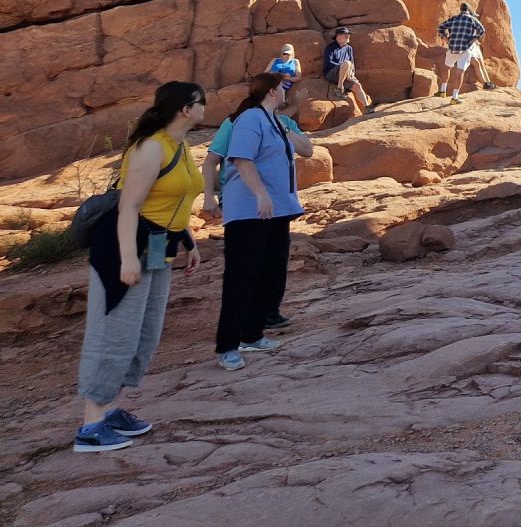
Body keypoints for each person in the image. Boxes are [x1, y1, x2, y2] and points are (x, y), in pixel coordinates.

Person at [72, 82, 206, 453]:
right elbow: (129, 207)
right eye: (200, 102)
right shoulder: (150, 148)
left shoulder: (179, 145)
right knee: (114, 333)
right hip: (124, 250)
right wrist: (128, 259)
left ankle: (111, 410)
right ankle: (90, 426)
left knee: (142, 334)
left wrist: (189, 241)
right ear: (184, 109)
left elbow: (174, 198)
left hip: (158, 249)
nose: (204, 108)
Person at [215, 72, 308, 372]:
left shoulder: (273, 121)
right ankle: (227, 346)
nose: (286, 91)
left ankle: (252, 335)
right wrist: (260, 194)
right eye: (282, 87)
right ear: (271, 91)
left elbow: (304, 150)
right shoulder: (250, 119)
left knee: (268, 271)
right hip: (249, 211)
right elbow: (242, 159)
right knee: (242, 277)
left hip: (276, 211)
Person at [437, 2, 487, 103]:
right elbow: (482, 30)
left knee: (447, 67)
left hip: (452, 47)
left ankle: (442, 91)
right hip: (465, 48)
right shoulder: (473, 20)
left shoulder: (454, 18)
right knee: (460, 72)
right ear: (468, 10)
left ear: (461, 10)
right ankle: (454, 98)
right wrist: (473, 39)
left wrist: (446, 39)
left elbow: (441, 27)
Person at [322, 26, 372, 115]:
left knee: (357, 85)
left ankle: (367, 107)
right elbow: (328, 62)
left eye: (348, 34)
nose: (348, 36)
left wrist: (351, 73)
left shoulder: (349, 48)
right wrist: (343, 67)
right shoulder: (330, 47)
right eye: (345, 34)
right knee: (346, 63)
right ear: (338, 36)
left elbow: (352, 64)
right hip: (331, 73)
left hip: (345, 74)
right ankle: (339, 88)